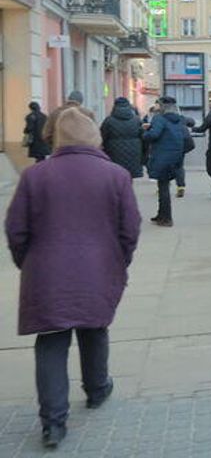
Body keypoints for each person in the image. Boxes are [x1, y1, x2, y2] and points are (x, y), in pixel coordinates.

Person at [6, 108, 141, 449]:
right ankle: (97, 390)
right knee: (94, 327)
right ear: (94, 136)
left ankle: (53, 424)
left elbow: (16, 229)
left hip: (46, 271)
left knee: (51, 342)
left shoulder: (35, 176)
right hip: (98, 267)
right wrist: (118, 261)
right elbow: (130, 228)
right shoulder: (115, 175)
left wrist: (30, 264)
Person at [142, 97, 188, 227]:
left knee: (163, 187)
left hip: (162, 155)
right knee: (163, 185)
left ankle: (166, 218)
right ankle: (161, 214)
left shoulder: (159, 118)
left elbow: (154, 135)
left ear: (162, 107)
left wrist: (145, 133)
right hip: (176, 155)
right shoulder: (179, 119)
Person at [99, 97, 143, 178]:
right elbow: (143, 138)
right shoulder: (136, 120)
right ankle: (127, 189)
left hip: (113, 151)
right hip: (133, 151)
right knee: (129, 175)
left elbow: (102, 137)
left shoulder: (109, 121)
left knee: (116, 175)